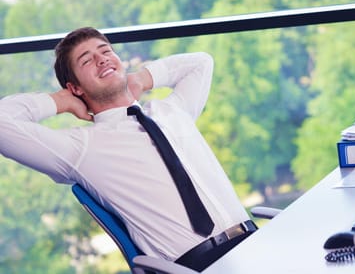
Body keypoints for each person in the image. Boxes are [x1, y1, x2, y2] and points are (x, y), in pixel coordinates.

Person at [0, 27, 256, 272]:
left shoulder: (172, 111)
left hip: (255, 243)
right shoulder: (82, 149)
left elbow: (201, 62)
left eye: (106, 51)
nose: (102, 60)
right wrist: (59, 101)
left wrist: (143, 79)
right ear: (75, 88)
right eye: (87, 61)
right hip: (200, 266)